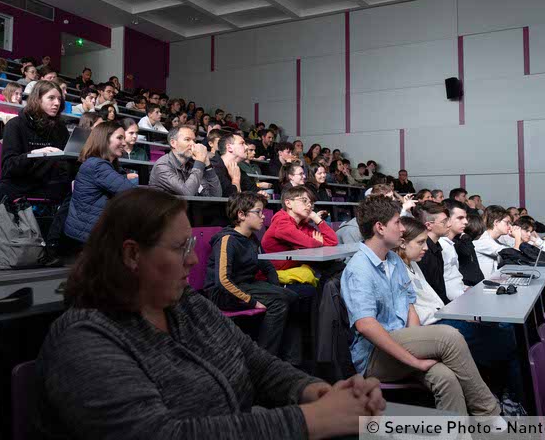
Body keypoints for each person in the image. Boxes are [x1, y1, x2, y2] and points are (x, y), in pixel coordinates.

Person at [35, 187, 384, 438]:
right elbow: (158, 433)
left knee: (427, 431)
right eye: (180, 247)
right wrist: (310, 420)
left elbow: (255, 362)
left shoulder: (187, 305)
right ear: (131, 255)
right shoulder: (85, 339)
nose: (193, 258)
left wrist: (315, 391)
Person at [341, 196, 504, 418]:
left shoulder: (393, 260)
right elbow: (366, 326)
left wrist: (420, 342)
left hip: (401, 340)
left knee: (446, 378)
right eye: (397, 222)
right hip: (374, 356)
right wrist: (414, 360)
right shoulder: (358, 269)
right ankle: (490, 413)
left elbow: (409, 305)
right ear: (380, 228)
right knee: (449, 336)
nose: (402, 228)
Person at [397, 217, 524, 413]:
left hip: (442, 319)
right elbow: (416, 317)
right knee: (508, 339)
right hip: (435, 328)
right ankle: (511, 400)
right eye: (420, 242)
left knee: (505, 331)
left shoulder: (412, 263)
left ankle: (504, 395)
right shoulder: (399, 268)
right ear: (402, 243)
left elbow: (432, 303)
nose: (425, 247)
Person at [204, 192, 300, 359]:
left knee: (290, 297)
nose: (263, 217)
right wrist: (252, 302)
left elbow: (267, 266)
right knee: (280, 303)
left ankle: (291, 361)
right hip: (223, 293)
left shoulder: (252, 239)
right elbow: (223, 280)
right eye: (258, 212)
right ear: (241, 214)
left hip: (246, 285)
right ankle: (264, 359)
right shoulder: (228, 240)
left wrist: (275, 288)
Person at [0, 81, 72, 224]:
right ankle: (9, 236)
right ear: (37, 99)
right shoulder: (15, 125)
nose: (57, 103)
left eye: (59, 99)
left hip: (48, 184)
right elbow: (9, 166)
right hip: (18, 183)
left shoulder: (60, 129)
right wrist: (34, 154)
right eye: (51, 98)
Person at [64, 122, 139, 244]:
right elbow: (130, 191)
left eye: (124, 138)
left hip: (87, 230)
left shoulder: (99, 164)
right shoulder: (97, 165)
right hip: (87, 235)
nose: (124, 143)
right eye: (120, 138)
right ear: (104, 140)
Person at [261, 186, 338, 288]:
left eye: (311, 203)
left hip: (295, 268)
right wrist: (317, 243)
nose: (309, 205)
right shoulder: (281, 221)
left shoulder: (303, 225)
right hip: (275, 274)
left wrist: (317, 219)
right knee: (325, 276)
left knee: (336, 267)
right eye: (304, 201)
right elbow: (310, 243)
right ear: (288, 203)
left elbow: (332, 241)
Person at [149, 125, 220, 197]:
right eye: (187, 139)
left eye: (194, 140)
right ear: (173, 143)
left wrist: (207, 164)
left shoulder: (192, 164)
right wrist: (199, 161)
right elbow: (187, 193)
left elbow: (215, 195)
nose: (193, 144)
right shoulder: (162, 165)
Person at [412, 201, 451, 305]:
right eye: (444, 222)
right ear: (429, 225)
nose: (449, 225)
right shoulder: (423, 253)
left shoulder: (436, 246)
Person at [437, 200, 468, 300]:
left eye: (465, 218)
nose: (466, 222)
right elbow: (446, 282)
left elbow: (454, 278)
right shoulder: (441, 245)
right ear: (448, 220)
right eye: (460, 218)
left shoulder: (450, 244)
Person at [212, 131, 257, 197]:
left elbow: (252, 189)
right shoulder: (214, 167)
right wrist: (235, 180)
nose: (247, 147)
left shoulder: (238, 169)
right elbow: (229, 199)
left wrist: (260, 193)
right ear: (229, 148)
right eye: (242, 143)